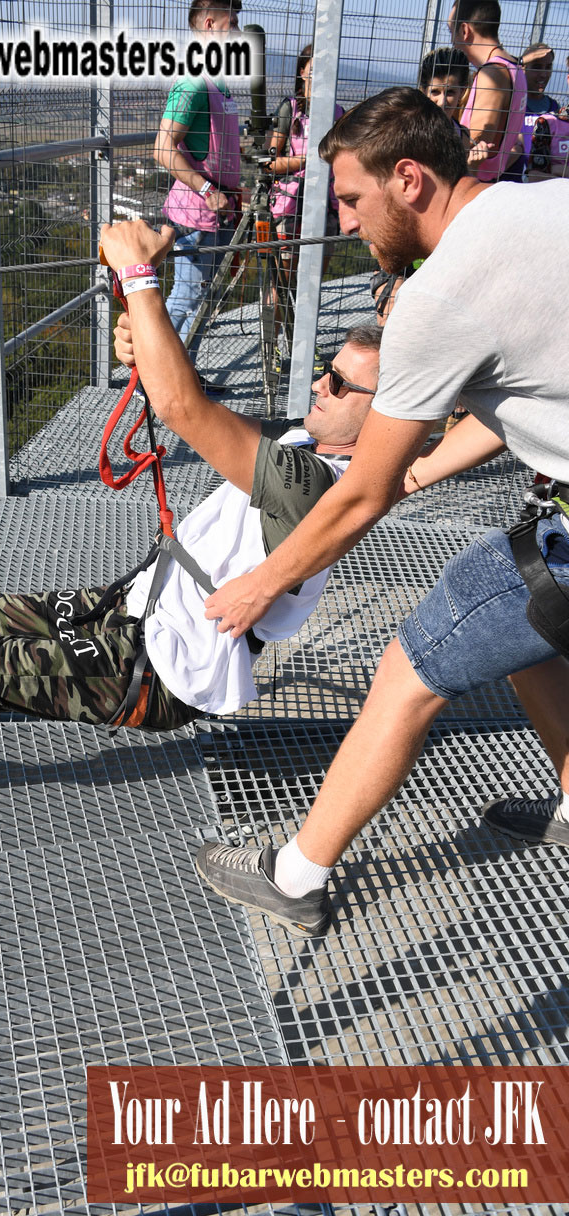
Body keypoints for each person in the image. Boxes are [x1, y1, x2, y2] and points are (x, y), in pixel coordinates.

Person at [177, 86, 569, 937]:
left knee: (412, 666)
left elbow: (362, 492)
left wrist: (261, 584)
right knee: (531, 636)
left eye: (352, 199)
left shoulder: (443, 294)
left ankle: (296, 874)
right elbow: (533, 383)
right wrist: (423, 467)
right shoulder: (542, 205)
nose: (347, 223)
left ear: (409, 179)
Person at [0, 290, 382, 776]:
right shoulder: (315, 446)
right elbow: (190, 398)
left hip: (161, 665)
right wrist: (150, 346)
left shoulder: (312, 485)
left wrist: (142, 285)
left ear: (382, 412)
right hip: (142, 609)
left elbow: (184, 408)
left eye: (343, 383)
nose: (322, 384)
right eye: (328, 369)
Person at [153, 0, 243, 378]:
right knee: (186, 297)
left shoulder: (218, 79)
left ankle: (185, 377)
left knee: (202, 298)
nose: (239, 32)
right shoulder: (192, 81)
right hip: (197, 213)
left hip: (218, 212)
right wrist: (208, 189)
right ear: (210, 23)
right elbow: (161, 147)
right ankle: (158, 380)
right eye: (233, 22)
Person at [370, 47, 470, 325]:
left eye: (450, 92)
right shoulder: (408, 132)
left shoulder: (461, 135)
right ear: (423, 91)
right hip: (403, 228)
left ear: (462, 91)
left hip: (439, 234)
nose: (442, 100)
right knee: (390, 311)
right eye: (435, 92)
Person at [268, 43, 344, 277]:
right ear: (302, 71)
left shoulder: (337, 113)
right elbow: (270, 162)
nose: (320, 74)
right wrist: (308, 161)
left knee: (314, 278)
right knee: (283, 280)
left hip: (325, 207)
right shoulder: (289, 109)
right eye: (314, 67)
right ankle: (277, 315)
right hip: (289, 205)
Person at [448, 0, 526, 181]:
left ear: (465, 31)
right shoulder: (513, 67)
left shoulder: (493, 73)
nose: (452, 41)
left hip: (475, 182)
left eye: (451, 31)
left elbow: (477, 142)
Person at [504, 42, 561, 180]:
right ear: (523, 68)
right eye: (536, 67)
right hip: (509, 188)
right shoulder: (510, 105)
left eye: (548, 67)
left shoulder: (555, 110)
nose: (543, 74)